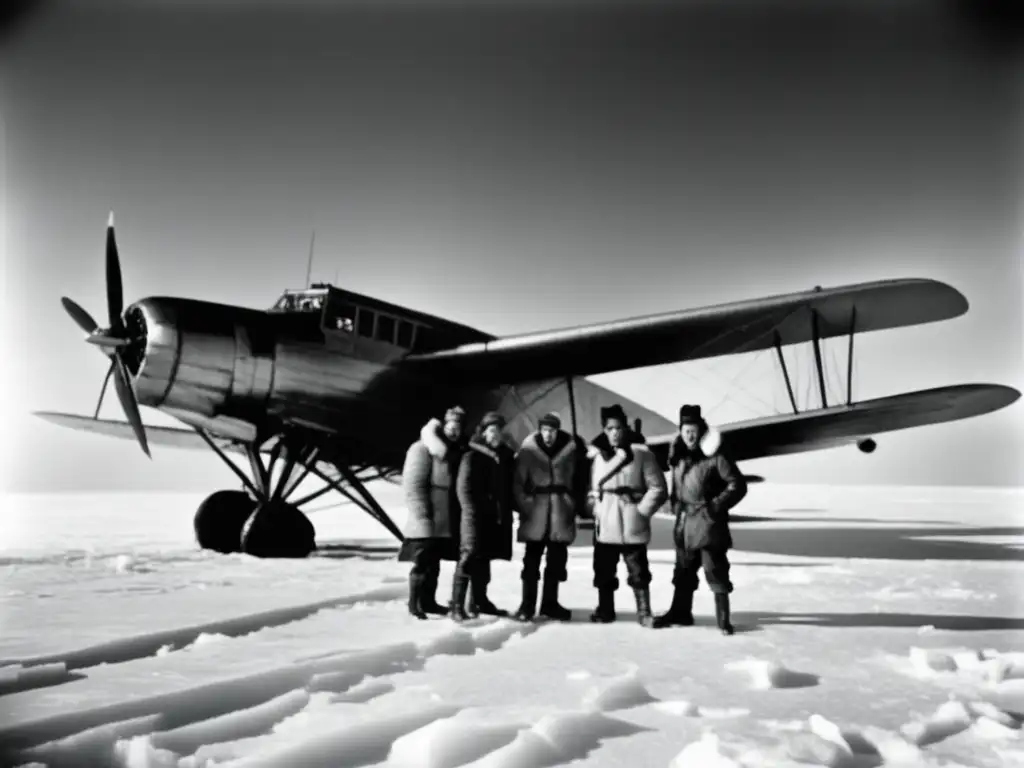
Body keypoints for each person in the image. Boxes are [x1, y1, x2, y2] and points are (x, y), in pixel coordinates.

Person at [655, 404, 747, 635]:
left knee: (715, 570)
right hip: (685, 523)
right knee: (683, 572)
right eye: (685, 430)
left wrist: (715, 506)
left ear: (701, 429)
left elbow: (737, 485)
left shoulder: (716, 455)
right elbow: (677, 487)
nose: (689, 435)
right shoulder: (677, 456)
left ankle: (723, 621)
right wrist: (675, 504)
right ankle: (680, 613)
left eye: (693, 429)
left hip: (709, 525)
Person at [586, 404, 667, 628]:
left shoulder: (641, 455)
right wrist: (596, 508)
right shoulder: (597, 457)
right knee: (603, 570)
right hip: (607, 522)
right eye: (610, 428)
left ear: (625, 428)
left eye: (618, 428)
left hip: (632, 522)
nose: (614, 432)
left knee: (639, 571)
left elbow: (658, 488)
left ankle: (644, 612)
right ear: (604, 430)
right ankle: (605, 610)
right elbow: (594, 489)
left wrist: (641, 512)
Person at [511, 412, 589, 621]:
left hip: (560, 513)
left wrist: (573, 504)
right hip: (535, 513)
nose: (548, 435)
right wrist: (527, 505)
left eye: (552, 431)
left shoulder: (570, 451)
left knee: (556, 563)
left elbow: (580, 480)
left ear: (557, 431)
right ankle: (527, 605)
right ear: (539, 430)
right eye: (545, 430)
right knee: (531, 563)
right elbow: (518, 483)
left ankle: (549, 604)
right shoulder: (528, 452)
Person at [399, 406, 469, 620]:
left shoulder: (455, 452)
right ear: (443, 426)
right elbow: (413, 485)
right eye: (451, 426)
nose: (454, 431)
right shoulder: (422, 448)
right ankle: (414, 604)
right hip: (427, 515)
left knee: (434, 562)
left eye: (458, 427)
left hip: (445, 516)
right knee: (421, 562)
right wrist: (421, 514)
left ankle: (428, 602)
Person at [451, 411, 516, 621]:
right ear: (483, 432)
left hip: (494, 516)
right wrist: (472, 513)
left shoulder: (505, 457)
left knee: (485, 557)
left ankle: (479, 601)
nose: (495, 434)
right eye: (491, 430)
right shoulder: (472, 454)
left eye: (498, 430)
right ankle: (457, 605)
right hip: (474, 514)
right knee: (469, 555)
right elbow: (463, 489)